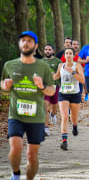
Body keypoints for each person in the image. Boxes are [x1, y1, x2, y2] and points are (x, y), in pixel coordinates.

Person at [1, 31, 55, 180]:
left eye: (30, 41)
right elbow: (3, 84)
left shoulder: (43, 67)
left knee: (31, 155)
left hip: (36, 117)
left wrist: (42, 86)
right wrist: (5, 85)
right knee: (16, 148)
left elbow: (51, 91)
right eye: (23, 40)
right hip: (16, 115)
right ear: (19, 44)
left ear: (36, 46)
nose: (26, 43)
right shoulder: (10, 65)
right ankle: (16, 174)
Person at [53, 48, 85, 150]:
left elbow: (83, 81)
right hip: (63, 94)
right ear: (64, 55)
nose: (68, 55)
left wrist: (73, 72)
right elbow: (57, 76)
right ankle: (64, 141)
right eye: (66, 53)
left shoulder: (77, 66)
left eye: (70, 53)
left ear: (73, 55)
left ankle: (75, 126)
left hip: (75, 94)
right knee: (65, 117)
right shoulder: (60, 65)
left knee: (73, 118)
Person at [42, 44, 62, 136]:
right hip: (45, 87)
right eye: (46, 49)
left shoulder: (58, 61)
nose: (47, 51)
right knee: (45, 105)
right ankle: (46, 128)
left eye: (49, 49)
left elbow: (62, 74)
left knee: (55, 106)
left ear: (53, 51)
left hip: (55, 86)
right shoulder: (40, 62)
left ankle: (53, 114)